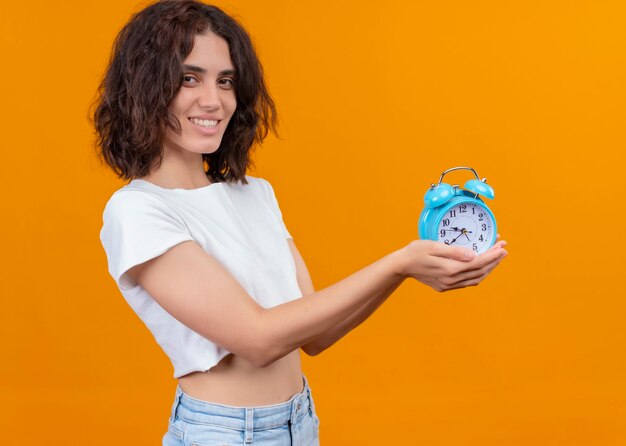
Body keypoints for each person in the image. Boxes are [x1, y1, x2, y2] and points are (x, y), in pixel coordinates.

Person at [93, 1, 508, 444]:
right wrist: (398, 264)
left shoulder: (255, 194)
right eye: (188, 77)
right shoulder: (138, 211)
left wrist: (406, 272)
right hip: (226, 434)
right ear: (145, 85)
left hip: (300, 421)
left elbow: (318, 334)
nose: (213, 100)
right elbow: (258, 339)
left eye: (226, 81)